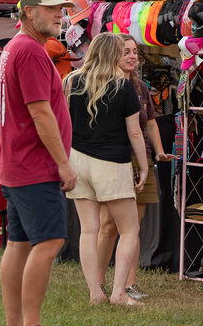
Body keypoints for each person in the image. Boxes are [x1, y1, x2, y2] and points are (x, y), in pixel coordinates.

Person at [0, 0, 77, 326]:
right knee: (49, 241)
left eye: (60, 8)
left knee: (19, 243)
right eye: (51, 8)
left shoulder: (16, 47)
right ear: (29, 12)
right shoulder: (29, 50)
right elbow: (39, 111)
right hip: (34, 163)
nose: (59, 13)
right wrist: (63, 162)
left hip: (16, 161)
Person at [63, 34, 148, 308]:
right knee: (129, 229)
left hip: (78, 160)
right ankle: (119, 293)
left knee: (88, 231)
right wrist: (144, 166)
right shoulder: (122, 86)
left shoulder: (71, 81)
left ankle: (95, 293)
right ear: (113, 54)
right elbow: (135, 131)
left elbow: (63, 124)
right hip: (112, 163)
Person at [97, 38, 170, 302]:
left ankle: (129, 284)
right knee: (108, 226)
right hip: (115, 160)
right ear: (112, 55)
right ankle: (99, 284)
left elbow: (150, 124)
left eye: (135, 52)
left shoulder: (140, 87)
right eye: (125, 52)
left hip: (143, 161)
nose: (131, 56)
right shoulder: (104, 85)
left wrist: (159, 152)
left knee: (133, 227)